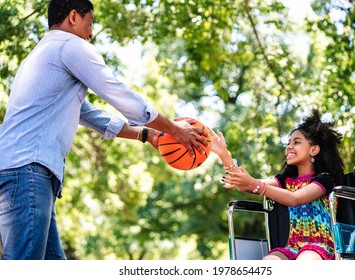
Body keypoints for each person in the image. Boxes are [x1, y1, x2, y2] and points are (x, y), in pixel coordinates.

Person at [0, 0, 208, 260]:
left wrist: (149, 135)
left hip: (21, 170)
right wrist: (174, 129)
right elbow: (120, 95)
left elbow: (88, 114)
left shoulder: (43, 53)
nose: (91, 33)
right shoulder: (70, 45)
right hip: (29, 170)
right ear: (73, 17)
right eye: (90, 24)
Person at [211, 110, 344, 260]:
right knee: (269, 262)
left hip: (320, 247)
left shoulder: (324, 179)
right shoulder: (286, 180)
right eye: (288, 143)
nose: (289, 147)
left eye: (296, 142)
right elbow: (245, 184)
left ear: (314, 150)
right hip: (293, 247)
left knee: (305, 260)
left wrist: (256, 185)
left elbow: (295, 199)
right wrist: (223, 154)